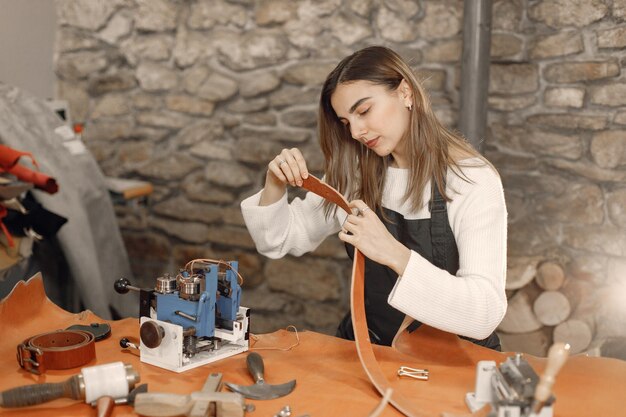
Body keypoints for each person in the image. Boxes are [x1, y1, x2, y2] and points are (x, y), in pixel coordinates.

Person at [240, 45, 507, 350]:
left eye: (364, 111)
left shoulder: (471, 179)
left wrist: (393, 253)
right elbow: (279, 240)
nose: (355, 132)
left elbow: (485, 312)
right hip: (369, 351)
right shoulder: (356, 174)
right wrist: (275, 183)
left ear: (405, 92)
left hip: (454, 365)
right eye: (345, 122)